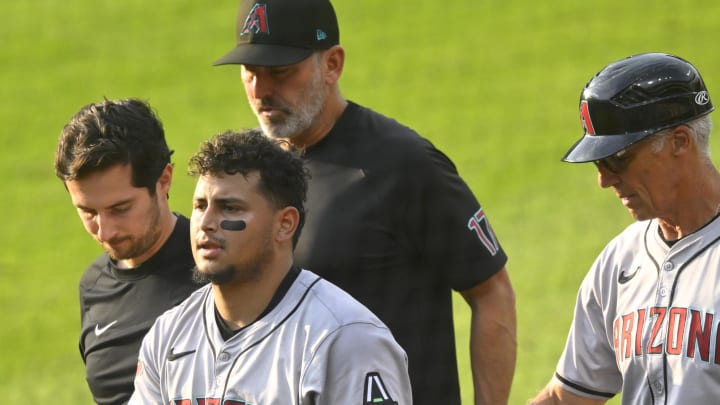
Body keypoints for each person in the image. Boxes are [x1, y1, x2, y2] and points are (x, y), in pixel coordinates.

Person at [211, 0, 516, 403]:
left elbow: (492, 290)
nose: (262, 90)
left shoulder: (402, 165)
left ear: (332, 64)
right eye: (250, 73)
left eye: (281, 72)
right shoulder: (248, 174)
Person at [129, 129, 412, 404]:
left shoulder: (345, 340)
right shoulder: (169, 335)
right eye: (201, 205)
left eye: (230, 207)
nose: (205, 223)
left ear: (284, 224)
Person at [530, 52, 719, 404]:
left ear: (680, 141)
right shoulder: (619, 260)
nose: (605, 180)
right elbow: (565, 397)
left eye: (619, 159)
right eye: (600, 163)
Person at [54, 98, 201, 404]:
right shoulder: (94, 286)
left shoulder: (222, 271)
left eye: (120, 209)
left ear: (163, 181)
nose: (104, 231)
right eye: (88, 212)